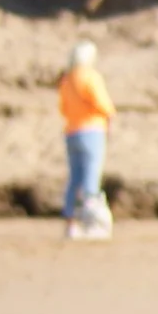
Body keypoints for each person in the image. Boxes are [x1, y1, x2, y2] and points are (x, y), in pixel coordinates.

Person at [57, 41, 115, 240]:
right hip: (91, 130)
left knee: (75, 179)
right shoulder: (90, 77)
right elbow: (102, 103)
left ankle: (71, 224)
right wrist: (109, 119)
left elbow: (63, 108)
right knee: (91, 177)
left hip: (71, 131)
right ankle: (92, 224)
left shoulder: (67, 79)